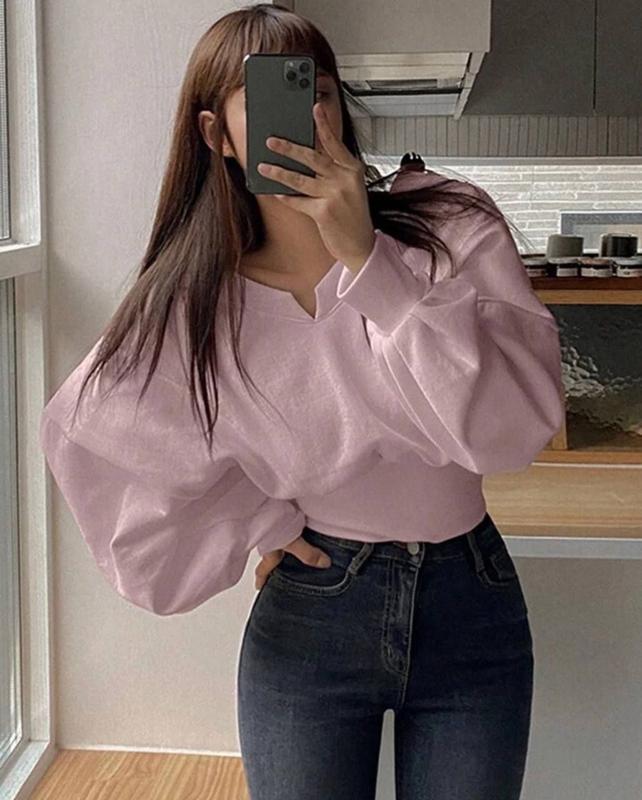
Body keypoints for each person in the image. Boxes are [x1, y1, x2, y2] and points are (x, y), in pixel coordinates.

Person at [39, 4, 565, 799]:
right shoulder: (197, 302)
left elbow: (515, 431)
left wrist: (369, 261)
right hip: (314, 610)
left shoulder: (449, 224)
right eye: (275, 92)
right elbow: (90, 440)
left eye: (318, 89)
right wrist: (258, 520)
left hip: (471, 598)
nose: (308, 113)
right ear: (216, 134)